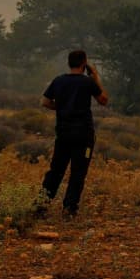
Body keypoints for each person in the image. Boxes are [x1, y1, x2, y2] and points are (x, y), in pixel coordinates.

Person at [35, 50, 108, 217]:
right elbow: (103, 100)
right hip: (83, 135)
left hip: (63, 133)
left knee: (56, 170)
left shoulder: (59, 81)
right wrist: (95, 76)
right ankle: (69, 207)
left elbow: (45, 102)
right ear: (84, 64)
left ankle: (41, 205)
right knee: (78, 171)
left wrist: (61, 108)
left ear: (69, 63)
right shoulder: (88, 82)